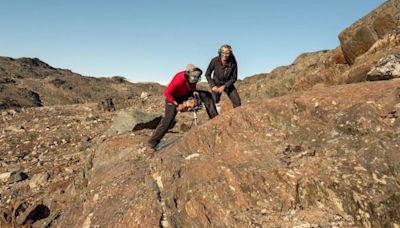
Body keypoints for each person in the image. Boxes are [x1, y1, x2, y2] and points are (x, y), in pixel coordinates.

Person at [147, 64, 218, 149]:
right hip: (173, 97)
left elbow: (192, 85)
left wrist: (195, 92)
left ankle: (215, 120)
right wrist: (178, 105)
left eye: (197, 78)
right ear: (187, 73)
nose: (195, 79)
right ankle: (153, 142)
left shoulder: (194, 77)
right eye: (193, 77)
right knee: (168, 119)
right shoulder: (179, 79)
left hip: (184, 94)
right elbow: (167, 93)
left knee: (206, 95)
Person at [205, 44, 241, 112]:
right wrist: (213, 86)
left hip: (228, 84)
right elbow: (207, 74)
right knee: (214, 104)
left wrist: (224, 86)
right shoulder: (214, 60)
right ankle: (214, 119)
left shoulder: (233, 62)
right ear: (220, 52)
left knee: (237, 103)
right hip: (216, 84)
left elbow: (234, 77)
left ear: (230, 53)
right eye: (223, 52)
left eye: (227, 53)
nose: (225, 55)